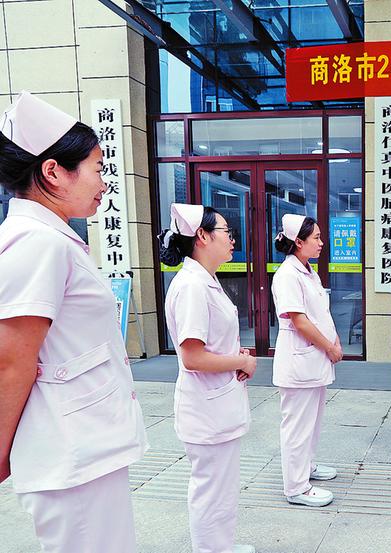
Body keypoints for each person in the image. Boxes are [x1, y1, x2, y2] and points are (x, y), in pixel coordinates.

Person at [0, 91, 148, 552]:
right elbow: (11, 359)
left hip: (86, 448)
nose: (104, 182)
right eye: (98, 168)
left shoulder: (53, 238)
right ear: (53, 172)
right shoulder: (36, 242)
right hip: (71, 454)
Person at [161, 203, 257, 553]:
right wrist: (241, 361)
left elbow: (209, 344)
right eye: (227, 232)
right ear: (202, 236)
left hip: (218, 404)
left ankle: (221, 546)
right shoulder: (192, 286)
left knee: (222, 489)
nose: (232, 239)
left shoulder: (205, 280)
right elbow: (192, 357)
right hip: (206, 410)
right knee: (211, 491)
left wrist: (234, 354)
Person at [271, 214, 341, 507]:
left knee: (312, 422)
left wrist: (334, 340)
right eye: (316, 238)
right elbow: (299, 320)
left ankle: (306, 467)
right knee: (297, 427)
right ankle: (296, 487)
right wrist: (329, 347)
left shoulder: (309, 271)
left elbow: (320, 314)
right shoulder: (287, 275)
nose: (322, 243)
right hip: (299, 361)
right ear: (299, 242)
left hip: (313, 359)